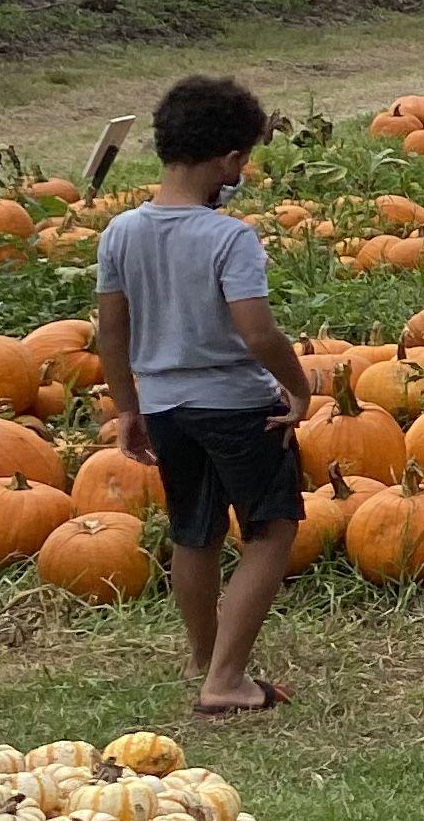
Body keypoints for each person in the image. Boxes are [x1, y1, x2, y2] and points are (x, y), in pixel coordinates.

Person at [92, 73, 312, 720]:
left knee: (195, 532)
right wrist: (297, 387)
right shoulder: (228, 238)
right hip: (237, 406)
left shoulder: (121, 233)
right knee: (272, 531)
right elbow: (256, 330)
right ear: (231, 161)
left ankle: (203, 656)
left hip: (164, 407)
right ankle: (227, 679)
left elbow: (111, 328)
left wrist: (128, 407)